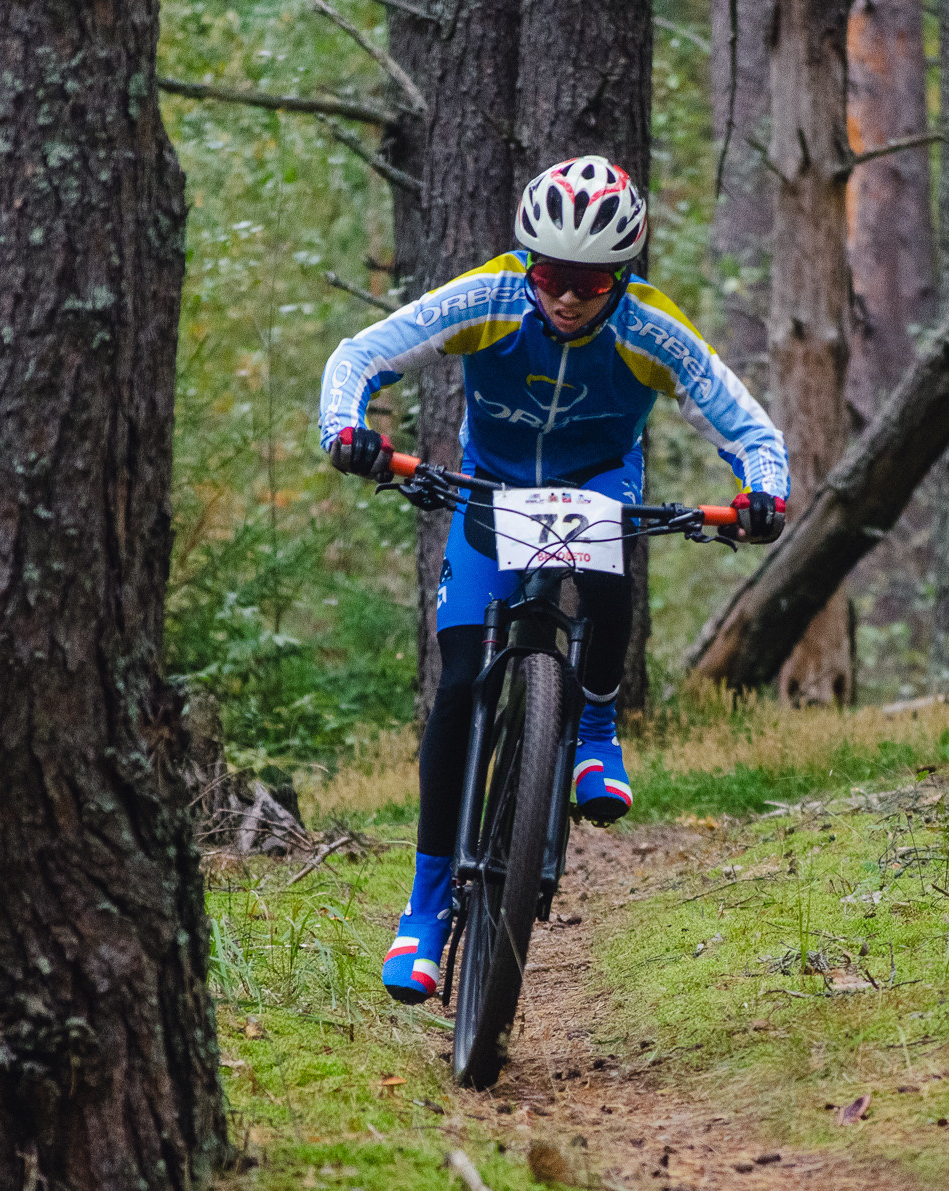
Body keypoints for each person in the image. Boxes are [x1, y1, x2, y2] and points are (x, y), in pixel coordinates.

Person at [318, 156, 790, 1005]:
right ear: (526, 260)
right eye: (551, 275)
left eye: (591, 281)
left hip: (598, 482)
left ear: (623, 276)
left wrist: (765, 490)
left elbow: (746, 422)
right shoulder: (488, 299)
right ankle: (423, 914)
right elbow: (364, 354)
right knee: (459, 684)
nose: (567, 296)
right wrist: (344, 426)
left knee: (606, 583)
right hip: (492, 488)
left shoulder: (652, 329)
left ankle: (598, 732)